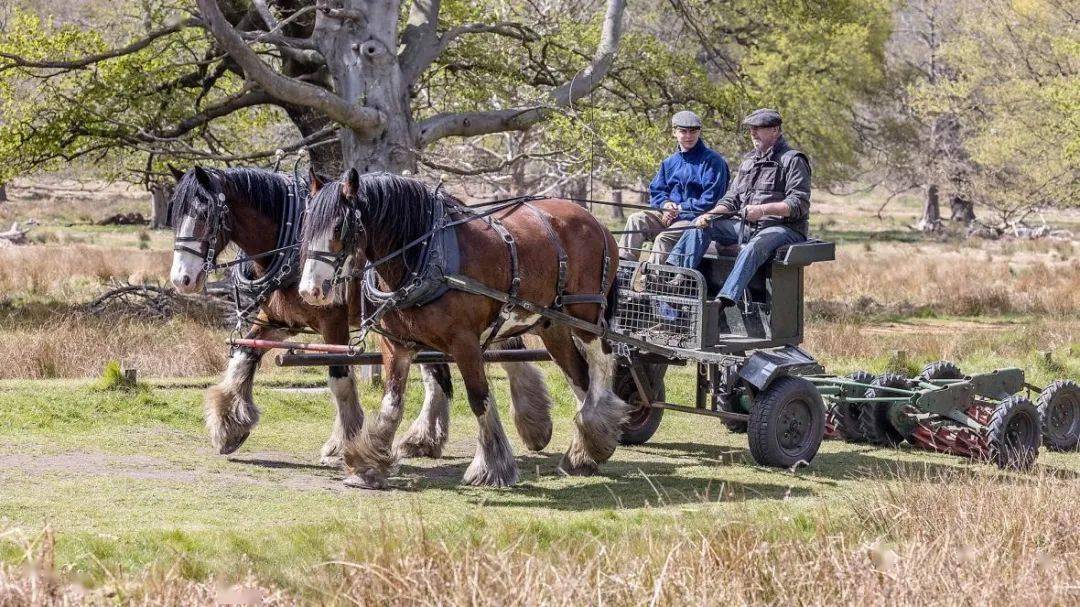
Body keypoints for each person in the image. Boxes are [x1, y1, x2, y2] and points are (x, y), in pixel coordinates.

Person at [666, 108, 810, 307]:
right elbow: (732, 198)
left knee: (754, 247)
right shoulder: (749, 161)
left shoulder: (793, 160)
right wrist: (710, 215)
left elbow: (798, 203)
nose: (752, 133)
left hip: (783, 229)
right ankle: (678, 278)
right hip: (747, 226)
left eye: (758, 129)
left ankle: (723, 300)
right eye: (751, 129)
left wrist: (762, 210)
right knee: (699, 225)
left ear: (775, 130)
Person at [618, 110, 729, 264]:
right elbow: (657, 191)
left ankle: (652, 281)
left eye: (693, 131)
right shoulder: (669, 163)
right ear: (674, 132)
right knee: (636, 220)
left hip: (695, 220)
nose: (688, 136)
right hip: (668, 216)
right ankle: (624, 268)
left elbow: (711, 199)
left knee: (664, 238)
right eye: (683, 131)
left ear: (699, 132)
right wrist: (665, 205)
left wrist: (679, 209)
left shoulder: (714, 162)